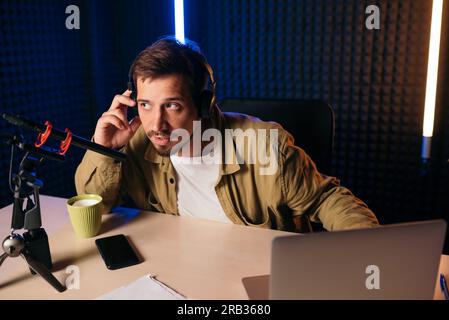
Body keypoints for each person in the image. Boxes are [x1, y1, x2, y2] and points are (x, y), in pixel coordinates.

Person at [75, 37, 378, 232]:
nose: (158, 124)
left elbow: (328, 200)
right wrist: (104, 151)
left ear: (204, 104)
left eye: (172, 106)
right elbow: (96, 207)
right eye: (145, 105)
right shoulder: (138, 141)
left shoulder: (266, 147)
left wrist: (367, 253)